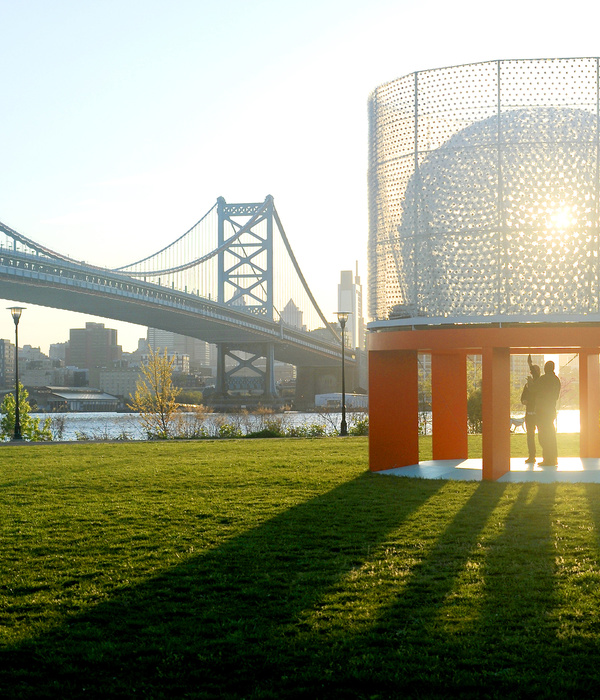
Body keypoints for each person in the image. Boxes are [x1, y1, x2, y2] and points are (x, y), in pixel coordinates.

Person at [534, 360, 561, 467]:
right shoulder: (556, 380)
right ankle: (553, 459)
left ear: (546, 368)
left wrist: (531, 381)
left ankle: (548, 459)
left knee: (543, 435)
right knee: (551, 435)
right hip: (551, 410)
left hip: (542, 410)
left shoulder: (544, 379)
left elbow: (533, 389)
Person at [520, 355, 540, 463]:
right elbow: (522, 397)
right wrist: (524, 401)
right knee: (530, 436)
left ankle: (546, 457)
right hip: (529, 413)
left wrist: (530, 364)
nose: (532, 373)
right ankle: (532, 456)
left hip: (538, 413)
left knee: (542, 435)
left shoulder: (540, 383)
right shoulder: (528, 385)